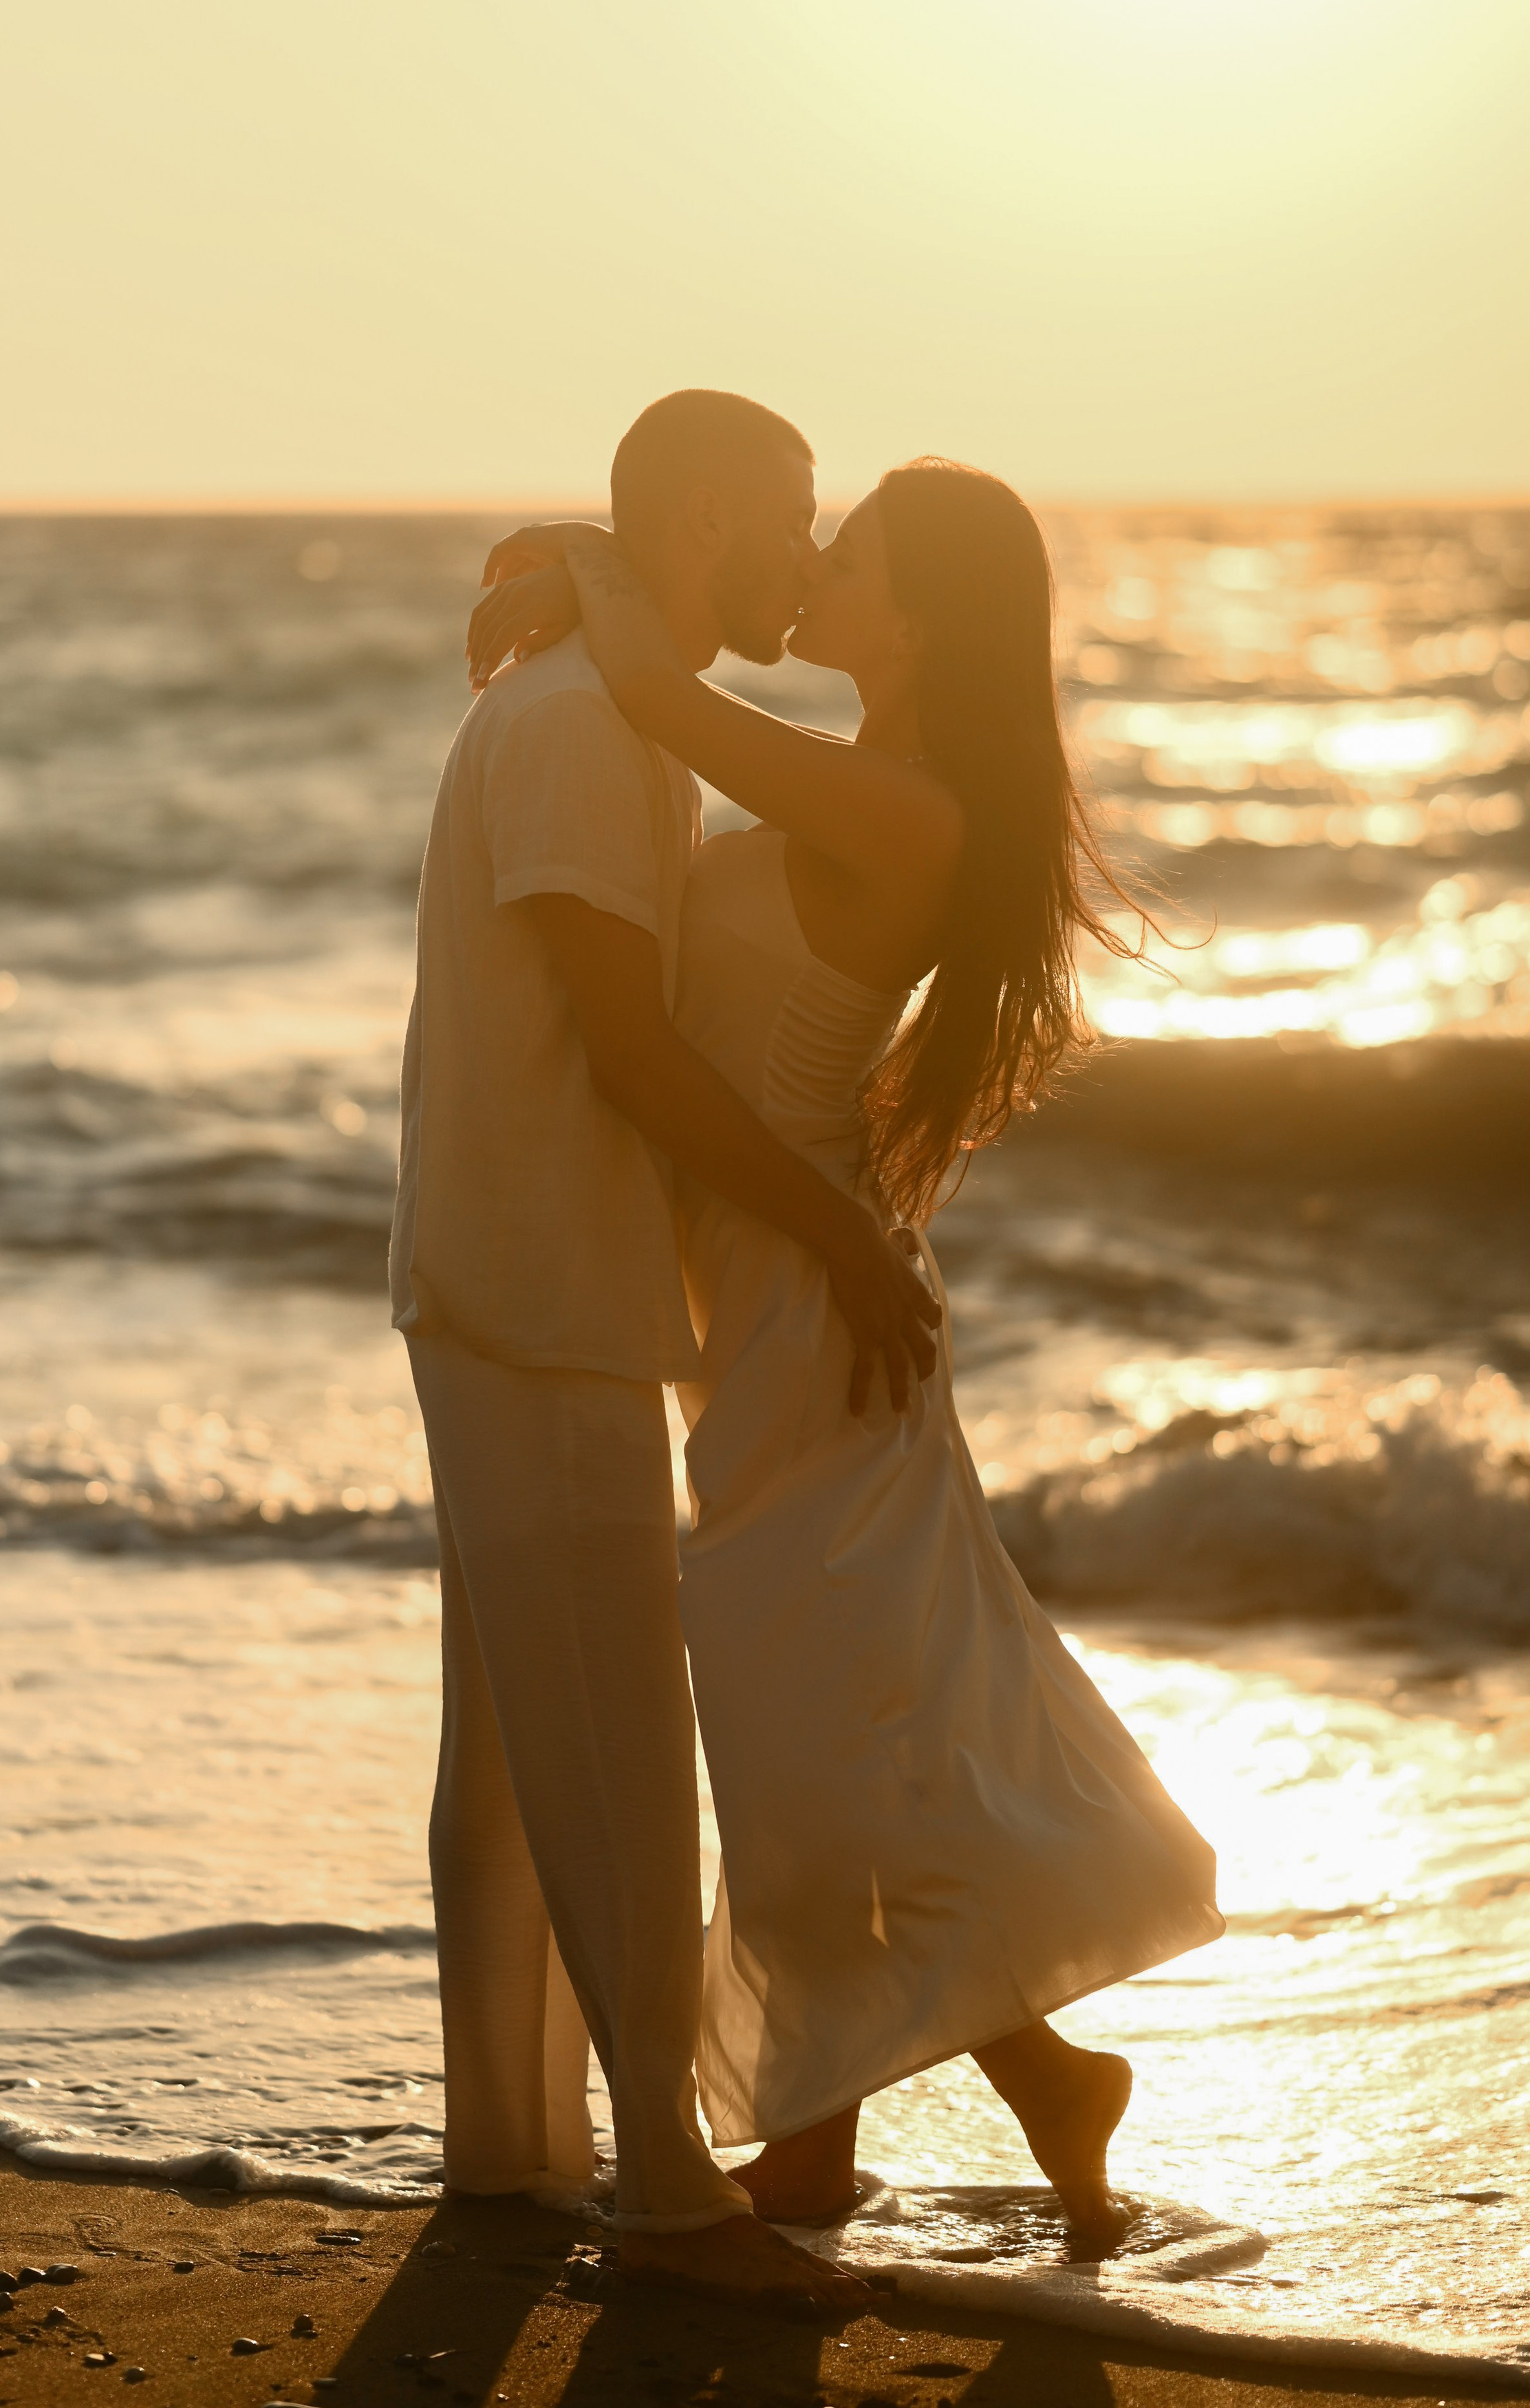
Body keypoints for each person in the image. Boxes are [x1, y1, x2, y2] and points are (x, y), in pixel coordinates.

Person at [470, 458, 1224, 2241]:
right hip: (787, 1276)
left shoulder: (909, 810)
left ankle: (865, 2123)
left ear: (925, 619)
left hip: (818, 1299)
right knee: (823, 1720)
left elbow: (656, 692)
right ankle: (989, 2093)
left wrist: (582, 557)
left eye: (853, 552)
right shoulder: (872, 781)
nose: (814, 564)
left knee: (797, 1728)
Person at [389, 391, 940, 2309]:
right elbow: (629, 1052)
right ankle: (672, 2199)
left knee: (515, 1752)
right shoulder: (575, 727)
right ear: (706, 518)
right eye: (793, 515)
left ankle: (509, 2150)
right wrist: (835, 1234)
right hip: (543, 1294)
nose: (810, 553)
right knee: (619, 1749)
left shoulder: (595, 708)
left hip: (520, 1281)